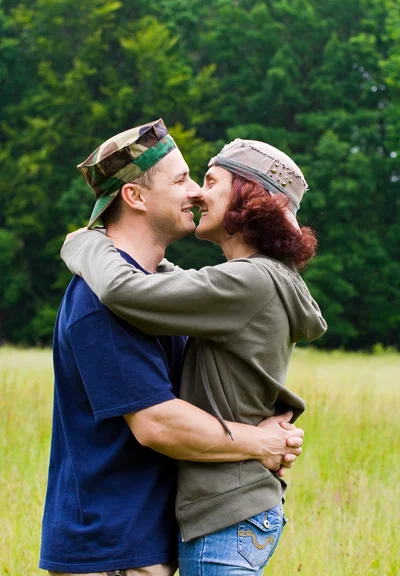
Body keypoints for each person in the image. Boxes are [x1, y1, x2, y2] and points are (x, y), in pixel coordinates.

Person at [40, 119, 305, 576]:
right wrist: (259, 442)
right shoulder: (101, 301)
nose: (197, 192)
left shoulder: (161, 297)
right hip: (113, 548)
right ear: (135, 197)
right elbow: (157, 424)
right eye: (182, 179)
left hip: (145, 539)